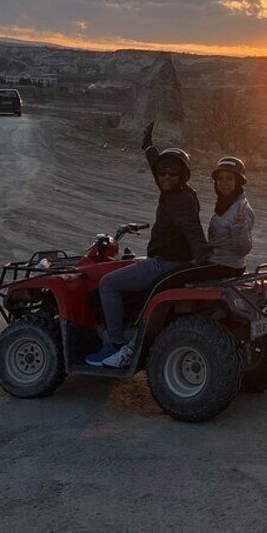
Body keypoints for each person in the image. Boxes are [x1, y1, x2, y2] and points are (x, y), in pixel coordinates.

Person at [86, 122, 210, 368]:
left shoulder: (180, 202)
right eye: (162, 173)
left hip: (165, 263)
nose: (165, 176)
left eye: (171, 173)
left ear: (181, 176)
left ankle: (116, 343)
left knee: (108, 283)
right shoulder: (175, 190)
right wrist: (148, 146)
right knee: (125, 269)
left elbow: (193, 229)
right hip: (167, 260)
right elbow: (157, 166)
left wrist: (202, 253)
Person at [207, 156, 255, 277]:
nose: (224, 183)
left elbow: (243, 249)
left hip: (227, 266)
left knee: (172, 278)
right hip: (216, 260)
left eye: (229, 179)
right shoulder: (224, 204)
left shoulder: (241, 209)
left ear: (237, 182)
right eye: (220, 178)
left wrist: (239, 226)